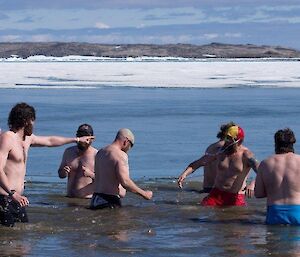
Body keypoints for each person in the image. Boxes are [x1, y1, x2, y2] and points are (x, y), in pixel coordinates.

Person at [0, 102, 94, 227]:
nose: (34, 124)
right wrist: (12, 193)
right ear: (26, 120)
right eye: (33, 120)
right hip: (5, 197)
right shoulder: (8, 138)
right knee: (9, 240)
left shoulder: (28, 139)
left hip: (18, 199)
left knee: (21, 239)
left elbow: (50, 141)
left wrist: (76, 139)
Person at [178, 125, 259, 206]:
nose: (226, 141)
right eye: (226, 137)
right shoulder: (221, 151)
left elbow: (261, 171)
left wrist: (252, 185)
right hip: (216, 194)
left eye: (229, 138)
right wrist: (185, 174)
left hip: (236, 196)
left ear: (239, 140)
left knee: (236, 217)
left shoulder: (246, 155)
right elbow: (199, 162)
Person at [90, 128, 152, 209]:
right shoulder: (120, 155)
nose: (129, 150)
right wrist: (144, 194)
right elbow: (125, 182)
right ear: (126, 141)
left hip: (95, 199)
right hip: (109, 201)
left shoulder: (101, 152)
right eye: (131, 146)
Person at [255, 128, 300, 225]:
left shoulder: (265, 163)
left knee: (275, 239)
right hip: (297, 212)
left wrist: (274, 190)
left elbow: (258, 194)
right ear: (293, 143)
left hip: (274, 214)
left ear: (276, 143)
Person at [181, 122, 236, 194]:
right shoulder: (225, 148)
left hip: (207, 188)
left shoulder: (211, 147)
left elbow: (198, 163)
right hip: (219, 189)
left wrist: (184, 174)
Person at [58, 124, 97, 198]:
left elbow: (104, 181)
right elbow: (60, 175)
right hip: (69, 199)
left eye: (85, 136)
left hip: (86, 201)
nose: (83, 139)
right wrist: (64, 172)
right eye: (80, 135)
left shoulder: (97, 155)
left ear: (92, 138)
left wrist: (91, 174)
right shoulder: (68, 152)